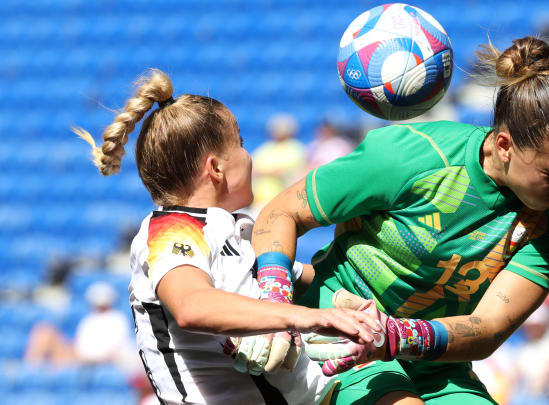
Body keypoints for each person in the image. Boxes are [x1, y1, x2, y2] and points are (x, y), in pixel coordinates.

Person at [250, 36, 549, 405]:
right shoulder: (408, 155)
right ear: (505, 146)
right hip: (340, 330)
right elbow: (281, 212)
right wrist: (274, 304)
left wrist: (395, 336)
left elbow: (490, 327)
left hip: (434, 363)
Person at [72, 69, 378, 404]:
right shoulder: (171, 229)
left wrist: (360, 296)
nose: (250, 156)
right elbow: (192, 304)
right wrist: (305, 317)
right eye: (242, 143)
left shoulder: (236, 231)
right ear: (216, 168)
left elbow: (311, 280)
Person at [24, 281, 135, 369]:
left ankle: (31, 372)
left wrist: (87, 357)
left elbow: (115, 350)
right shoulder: (89, 319)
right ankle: (31, 372)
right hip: (81, 356)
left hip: (92, 360)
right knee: (44, 331)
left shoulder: (117, 319)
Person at [251, 113, 308, 213]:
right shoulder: (266, 147)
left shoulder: (294, 147)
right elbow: (252, 167)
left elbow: (283, 172)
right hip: (258, 201)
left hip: (281, 200)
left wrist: (264, 172)